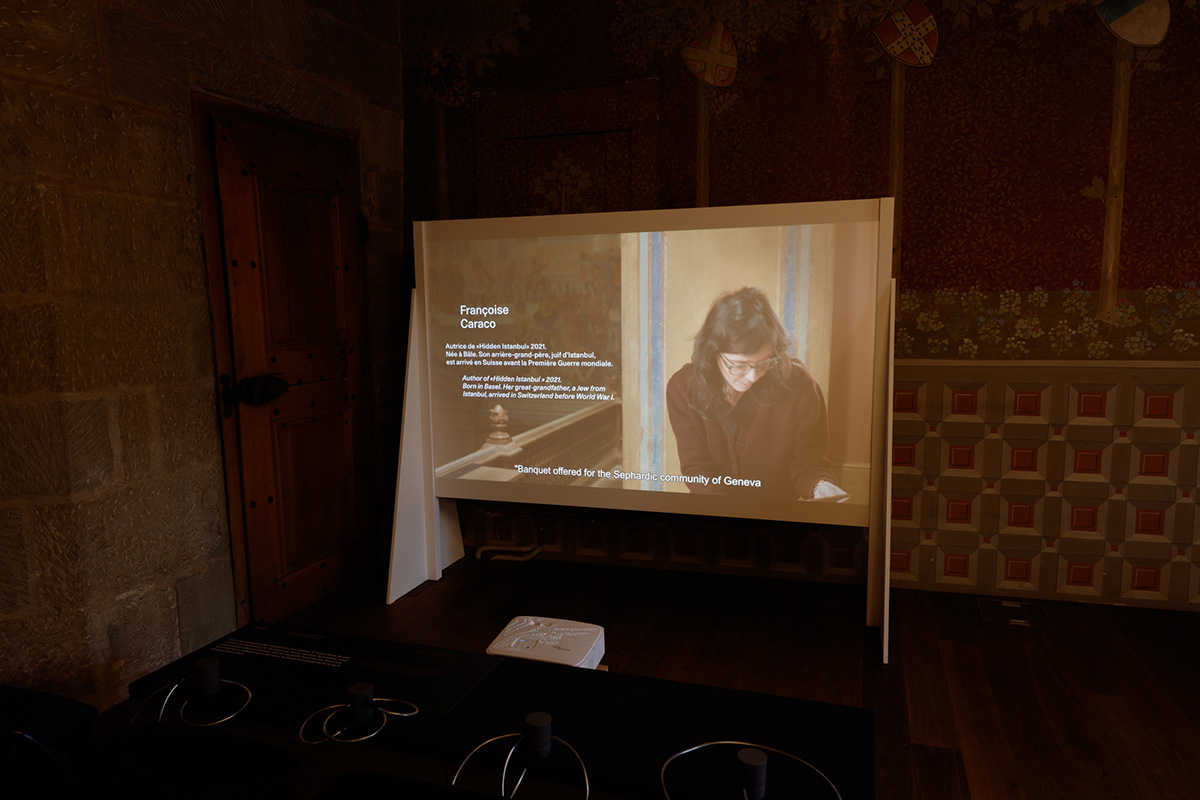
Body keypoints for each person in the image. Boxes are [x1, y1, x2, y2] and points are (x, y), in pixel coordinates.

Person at [665, 287, 848, 502]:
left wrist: (821, 486)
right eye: (739, 365)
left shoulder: (800, 387)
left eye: (763, 362)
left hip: (775, 514)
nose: (752, 376)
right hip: (713, 510)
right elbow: (697, 469)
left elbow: (809, 465)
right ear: (713, 352)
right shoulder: (682, 388)